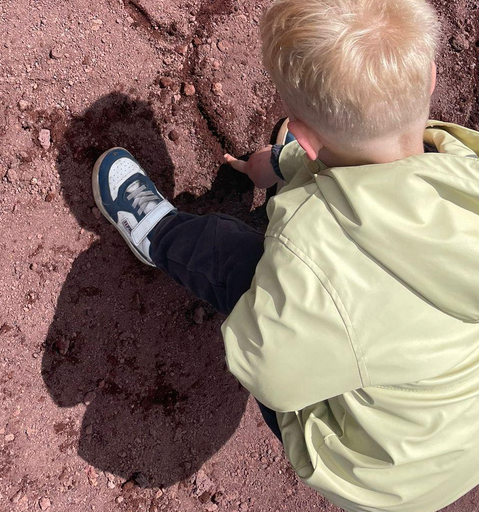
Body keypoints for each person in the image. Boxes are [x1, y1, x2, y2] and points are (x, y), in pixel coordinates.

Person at [90, 0, 479, 510]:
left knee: (233, 259)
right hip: (451, 447)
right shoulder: (465, 165)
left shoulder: (310, 246)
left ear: (304, 134)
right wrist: (279, 165)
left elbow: (264, 368)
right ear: (430, 77)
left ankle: (159, 235)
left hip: (374, 472)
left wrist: (280, 285)